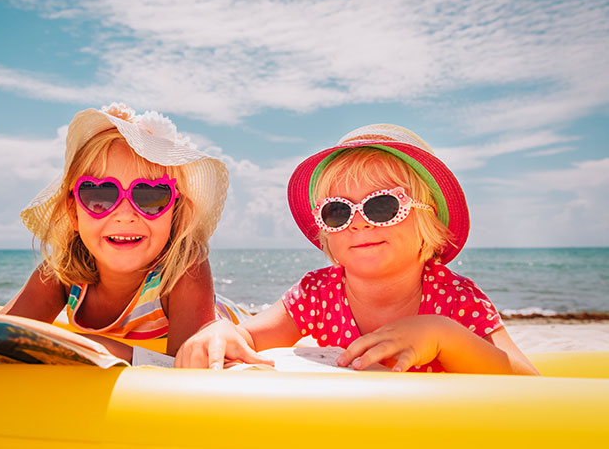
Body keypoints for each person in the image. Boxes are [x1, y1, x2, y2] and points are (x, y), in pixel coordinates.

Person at [176, 124, 538, 374]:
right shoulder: (317, 295)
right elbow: (249, 336)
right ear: (325, 231)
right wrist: (222, 332)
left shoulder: (457, 301)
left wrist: (444, 336)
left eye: (382, 206)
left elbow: (529, 384)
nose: (359, 222)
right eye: (338, 211)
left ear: (428, 220)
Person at [0, 103, 247, 360]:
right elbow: (1, 329)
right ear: (73, 210)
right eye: (100, 195)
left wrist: (99, 350)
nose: (125, 215)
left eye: (150, 196)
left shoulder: (183, 270)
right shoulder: (62, 273)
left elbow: (189, 366)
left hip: (228, 324)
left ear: (175, 210)